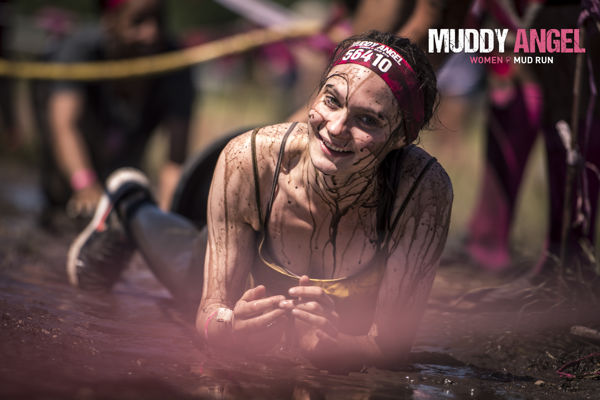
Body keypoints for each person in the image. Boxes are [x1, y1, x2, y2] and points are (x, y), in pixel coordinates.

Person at [66, 30, 453, 371]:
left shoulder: (421, 192)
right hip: (244, 240)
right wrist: (229, 327)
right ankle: (130, 199)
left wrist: (344, 348)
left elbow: (392, 347)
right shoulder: (248, 160)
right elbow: (209, 312)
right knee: (185, 267)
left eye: (368, 120)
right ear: (315, 94)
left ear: (402, 137)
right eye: (332, 101)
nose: (336, 129)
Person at [38, 0, 194, 222]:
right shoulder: (79, 51)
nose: (152, 33)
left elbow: (175, 160)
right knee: (62, 208)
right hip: (73, 170)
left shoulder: (176, 63)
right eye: (138, 22)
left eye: (159, 20)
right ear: (110, 21)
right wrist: (86, 187)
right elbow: (64, 127)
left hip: (123, 174)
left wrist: (167, 218)